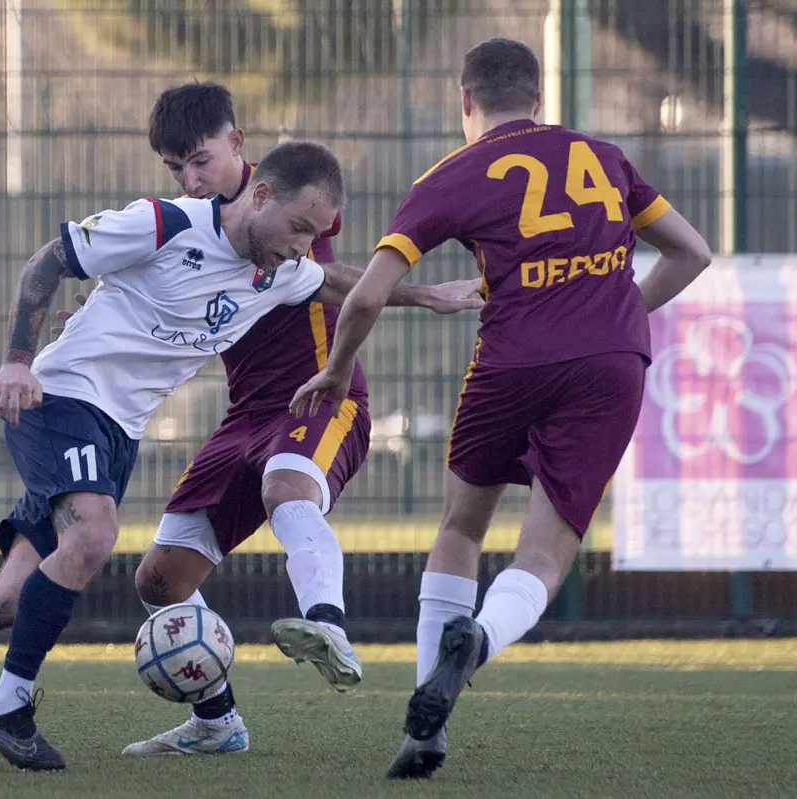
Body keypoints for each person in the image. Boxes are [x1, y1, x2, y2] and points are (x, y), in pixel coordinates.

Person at [0, 138, 478, 772]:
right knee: (94, 534)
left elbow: (336, 282)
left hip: (115, 432)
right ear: (262, 194)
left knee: (5, 598)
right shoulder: (171, 222)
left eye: (314, 236)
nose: (305, 248)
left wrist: (425, 293)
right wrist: (16, 361)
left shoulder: (279, 271)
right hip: (60, 400)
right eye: (299, 229)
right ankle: (8, 707)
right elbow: (49, 260)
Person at [290, 37, 712, 780]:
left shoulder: (451, 174)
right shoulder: (603, 156)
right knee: (544, 554)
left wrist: (334, 370)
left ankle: (426, 729)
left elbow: (364, 294)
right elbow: (691, 253)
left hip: (511, 359)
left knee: (459, 528)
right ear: (540, 97)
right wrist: (618, 317)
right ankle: (478, 641)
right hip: (610, 364)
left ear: (465, 100)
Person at [47, 82, 483, 757]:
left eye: (201, 162)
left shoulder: (289, 199)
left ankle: (329, 625)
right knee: (159, 580)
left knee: (287, 486)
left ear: (239, 150)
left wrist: (426, 294)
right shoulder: (186, 221)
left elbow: (332, 277)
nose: (192, 180)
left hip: (317, 399)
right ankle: (217, 722)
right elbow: (153, 282)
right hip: (244, 413)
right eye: (177, 168)